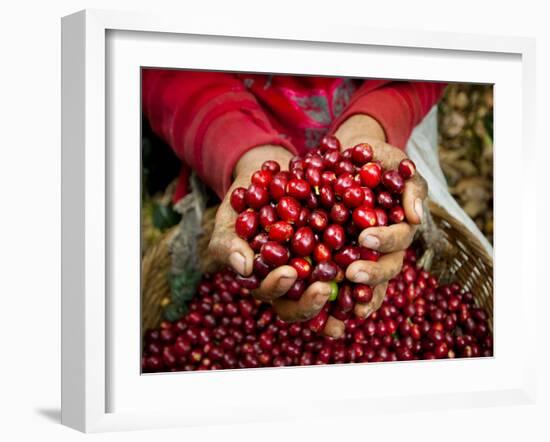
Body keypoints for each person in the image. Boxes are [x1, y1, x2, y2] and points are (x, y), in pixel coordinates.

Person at [142, 70, 446, 337]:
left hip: (376, 111)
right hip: (225, 133)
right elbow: (162, 67)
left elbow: (434, 47)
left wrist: (374, 122)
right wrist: (243, 150)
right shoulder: (291, 208)